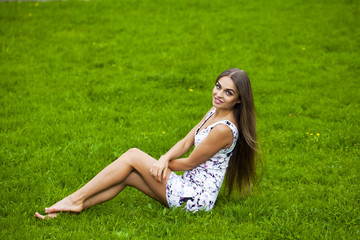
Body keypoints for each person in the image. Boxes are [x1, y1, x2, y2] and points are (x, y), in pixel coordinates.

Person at [35, 68, 258, 219]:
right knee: (127, 175)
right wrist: (162, 160)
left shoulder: (223, 129)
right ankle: (75, 206)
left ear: (238, 99)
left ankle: (74, 198)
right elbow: (186, 141)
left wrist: (160, 165)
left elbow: (189, 162)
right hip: (187, 188)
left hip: (196, 201)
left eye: (228, 93)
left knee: (133, 155)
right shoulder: (214, 111)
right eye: (218, 86)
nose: (219, 94)